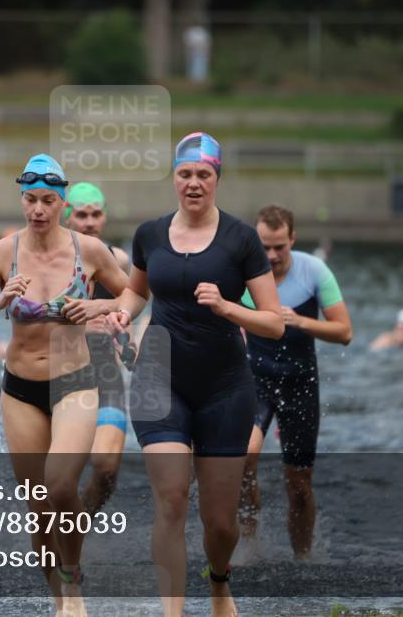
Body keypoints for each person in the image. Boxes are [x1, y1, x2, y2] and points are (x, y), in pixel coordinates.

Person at [93, 133, 284, 617]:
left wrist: (227, 306)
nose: (194, 183)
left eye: (204, 174)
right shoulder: (150, 234)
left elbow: (274, 322)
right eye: (185, 174)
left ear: (217, 178)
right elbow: (136, 293)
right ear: (173, 178)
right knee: (172, 498)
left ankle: (219, 583)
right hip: (161, 378)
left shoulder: (241, 239)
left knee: (220, 522)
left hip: (225, 388)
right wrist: (121, 313)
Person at [0, 154, 128, 617]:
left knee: (60, 485)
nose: (37, 209)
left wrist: (98, 310)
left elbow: (135, 294)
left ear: (62, 202)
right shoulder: (2, 253)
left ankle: (73, 587)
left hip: (76, 382)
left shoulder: (88, 252)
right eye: (30, 199)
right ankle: (59, 599)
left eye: (47, 200)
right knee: (38, 507)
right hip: (20, 390)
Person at [238, 205, 353, 560]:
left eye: (279, 248)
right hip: (255, 378)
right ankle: (248, 542)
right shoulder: (241, 271)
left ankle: (302, 559)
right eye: (264, 247)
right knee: (244, 458)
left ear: (292, 240)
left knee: (299, 483)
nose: (271, 256)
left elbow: (344, 332)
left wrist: (301, 322)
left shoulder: (313, 270)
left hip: (300, 383)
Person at [63, 182, 132, 514]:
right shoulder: (49, 261)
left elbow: (131, 308)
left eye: (96, 214)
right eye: (81, 214)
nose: (89, 221)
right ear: (66, 217)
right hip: (60, 373)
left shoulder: (118, 260)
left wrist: (127, 340)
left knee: (106, 467)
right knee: (61, 474)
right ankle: (60, 543)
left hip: (105, 371)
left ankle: (79, 529)